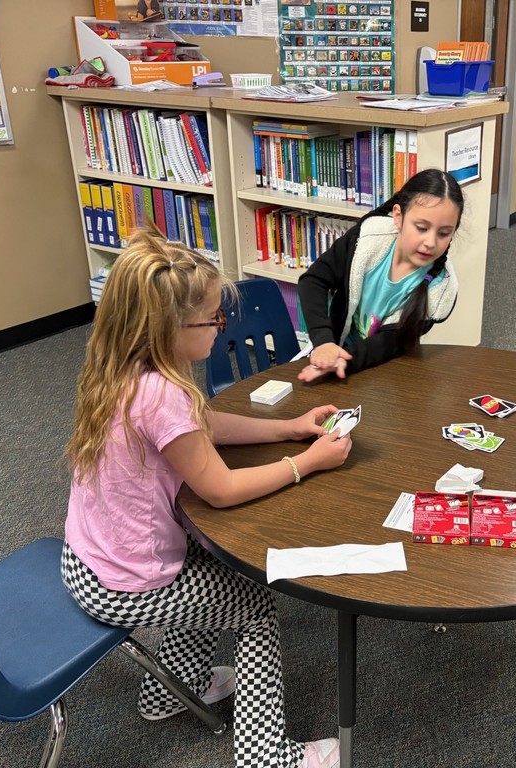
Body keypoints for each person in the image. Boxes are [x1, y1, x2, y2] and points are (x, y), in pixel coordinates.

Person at [62, 228, 347, 768]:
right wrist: (306, 463)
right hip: (126, 580)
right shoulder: (162, 394)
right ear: (169, 327)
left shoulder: (126, 367)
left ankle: (167, 691)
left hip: (88, 560)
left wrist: (287, 429)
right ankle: (267, 756)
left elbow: (200, 423)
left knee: (207, 564)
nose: (222, 327)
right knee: (256, 606)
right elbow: (218, 491)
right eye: (213, 319)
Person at [296, 168, 463, 382]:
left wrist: (344, 362)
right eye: (421, 228)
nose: (431, 242)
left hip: (385, 370)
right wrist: (323, 341)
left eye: (443, 233)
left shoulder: (440, 289)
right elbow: (313, 281)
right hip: (335, 351)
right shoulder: (367, 238)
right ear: (398, 216)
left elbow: (390, 343)